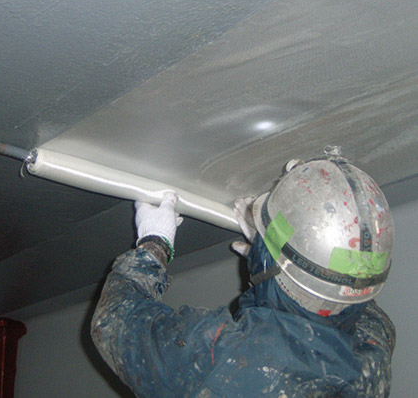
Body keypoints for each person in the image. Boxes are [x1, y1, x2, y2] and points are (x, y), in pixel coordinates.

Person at [91, 153, 396, 397]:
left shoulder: (225, 363)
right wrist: (269, 259)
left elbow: (115, 321)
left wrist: (154, 244)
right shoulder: (372, 351)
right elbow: (344, 289)